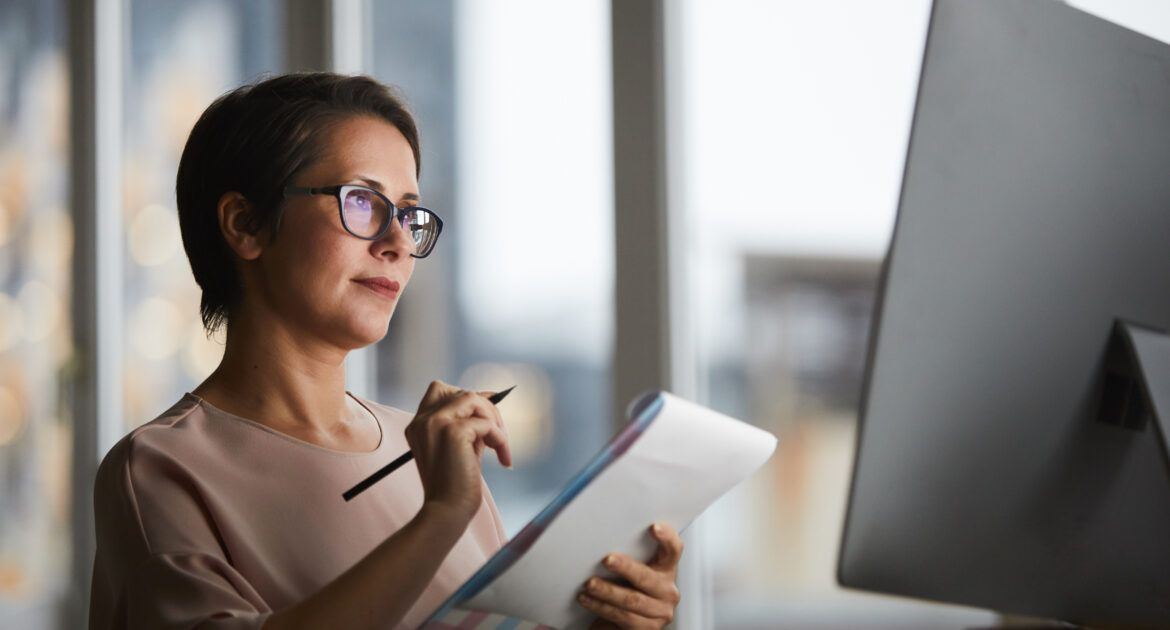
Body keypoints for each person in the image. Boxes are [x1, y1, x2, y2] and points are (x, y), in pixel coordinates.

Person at [88, 72, 684, 629]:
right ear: (244, 224)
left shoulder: (429, 449)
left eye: (408, 212)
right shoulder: (159, 469)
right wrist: (442, 513)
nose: (399, 241)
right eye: (362, 203)